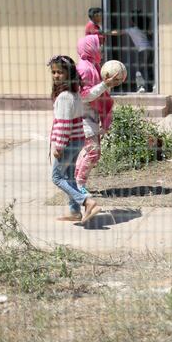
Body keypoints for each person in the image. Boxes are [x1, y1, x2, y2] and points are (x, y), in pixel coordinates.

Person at [48, 55, 112, 224]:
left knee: (56, 177)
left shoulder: (64, 97)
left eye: (60, 72)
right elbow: (91, 94)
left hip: (67, 143)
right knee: (69, 177)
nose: (56, 76)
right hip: (77, 140)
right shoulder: (74, 93)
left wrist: (58, 146)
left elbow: (64, 124)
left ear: (69, 74)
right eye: (53, 72)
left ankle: (87, 201)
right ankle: (74, 211)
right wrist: (105, 84)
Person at [69, 34, 118, 219]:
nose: (101, 51)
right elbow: (85, 95)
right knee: (93, 152)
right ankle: (79, 185)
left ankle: (76, 185)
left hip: (90, 116)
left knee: (90, 152)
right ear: (90, 48)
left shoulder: (92, 67)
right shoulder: (84, 69)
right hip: (82, 117)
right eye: (98, 47)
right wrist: (105, 84)